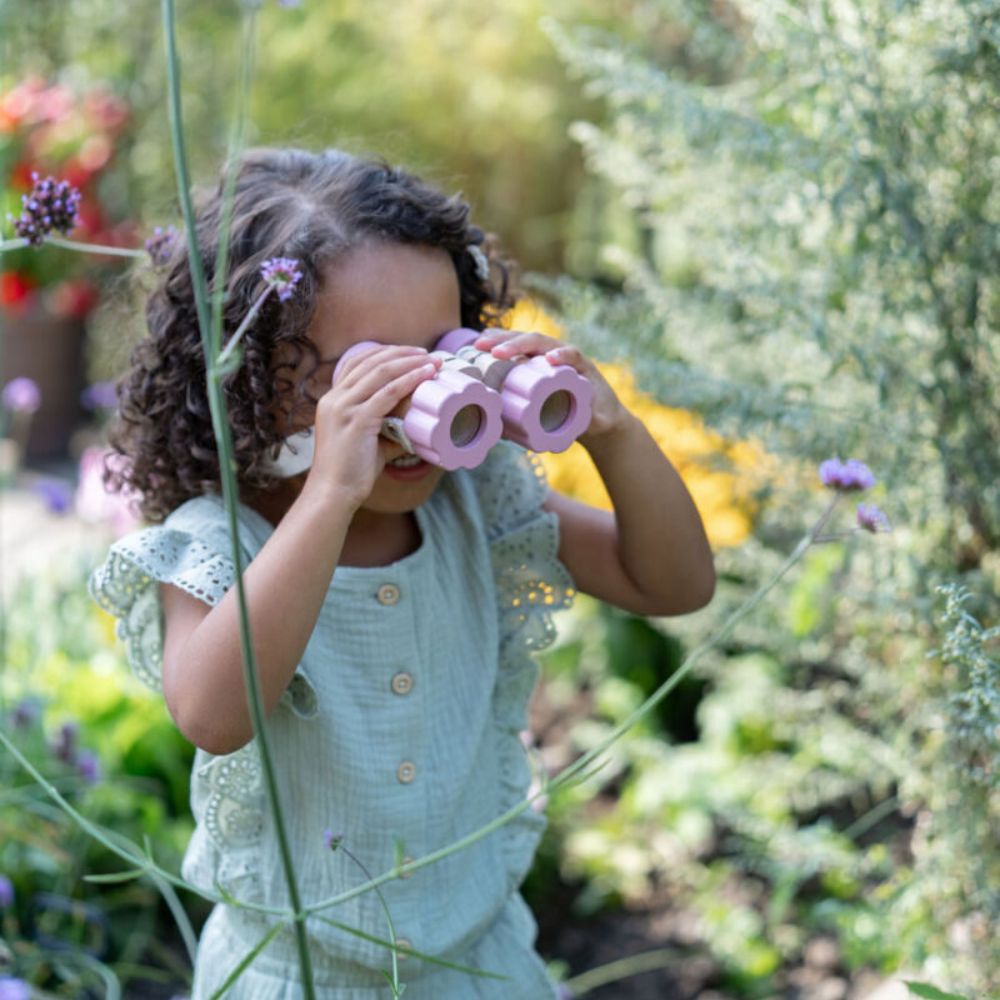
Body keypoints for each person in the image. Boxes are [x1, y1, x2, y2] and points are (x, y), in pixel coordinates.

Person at [89, 147, 716, 999]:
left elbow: (672, 585)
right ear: (239, 381)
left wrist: (613, 430)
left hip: (477, 960)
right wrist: (329, 498)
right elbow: (212, 714)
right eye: (371, 377)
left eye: (443, 356)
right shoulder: (216, 543)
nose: (422, 410)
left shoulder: (472, 503)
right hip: (297, 975)